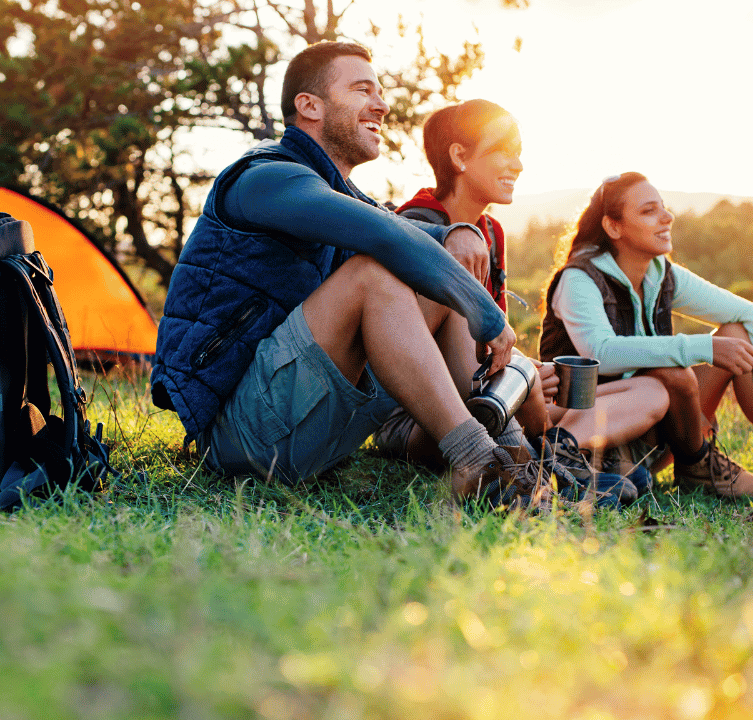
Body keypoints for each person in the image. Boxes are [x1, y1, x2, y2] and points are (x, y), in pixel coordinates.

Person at [150, 41, 559, 508]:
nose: (381, 105)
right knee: (375, 275)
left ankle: (523, 464)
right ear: (309, 106)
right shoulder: (264, 179)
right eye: (362, 90)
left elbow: (406, 237)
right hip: (239, 437)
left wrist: (459, 233)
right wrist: (487, 313)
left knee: (431, 281)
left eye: (380, 92)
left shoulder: (342, 192)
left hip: (311, 429)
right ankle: (476, 462)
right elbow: (385, 234)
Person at [371, 100, 667, 498]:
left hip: (486, 391)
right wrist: (516, 372)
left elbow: (486, 342)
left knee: (651, 392)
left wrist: (527, 370)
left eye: (520, 152)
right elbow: (416, 343)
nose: (518, 165)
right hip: (420, 416)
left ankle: (558, 456)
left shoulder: (490, 231)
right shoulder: (418, 225)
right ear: (459, 156)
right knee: (461, 294)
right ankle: (546, 471)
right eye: (503, 151)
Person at [539, 172, 753, 499]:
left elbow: (750, 314)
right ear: (614, 227)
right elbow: (600, 351)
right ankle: (697, 463)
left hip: (659, 428)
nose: (667, 217)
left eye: (663, 207)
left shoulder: (661, 274)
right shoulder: (579, 279)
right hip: (599, 428)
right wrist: (704, 348)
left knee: (739, 334)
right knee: (671, 371)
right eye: (648, 211)